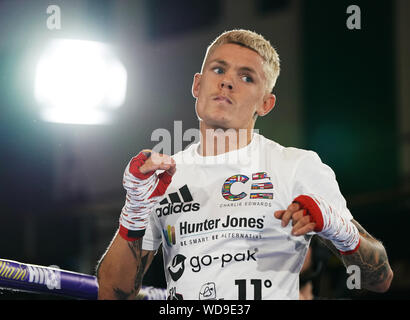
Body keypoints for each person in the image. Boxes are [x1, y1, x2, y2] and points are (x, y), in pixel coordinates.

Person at [96, 29, 393, 300]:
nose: (227, 81)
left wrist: (339, 228)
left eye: (247, 77)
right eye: (218, 69)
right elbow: (112, 294)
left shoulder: (295, 166)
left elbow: (380, 279)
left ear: (265, 104)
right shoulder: (164, 177)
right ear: (198, 85)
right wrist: (134, 212)